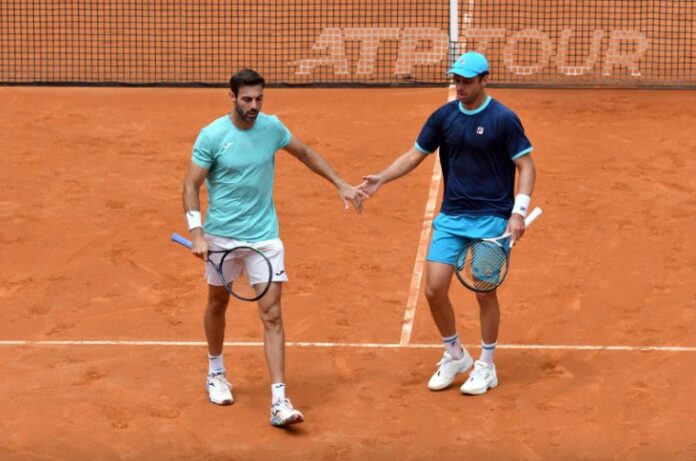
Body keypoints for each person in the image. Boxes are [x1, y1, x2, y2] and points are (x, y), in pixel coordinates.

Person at [181, 68, 365, 426]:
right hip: (220, 237)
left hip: (264, 237)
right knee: (217, 303)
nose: (254, 106)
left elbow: (306, 152)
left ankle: (280, 400)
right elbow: (190, 185)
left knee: (273, 315)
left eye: (259, 98)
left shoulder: (272, 127)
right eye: (247, 99)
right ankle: (215, 372)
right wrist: (197, 231)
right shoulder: (213, 136)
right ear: (231, 97)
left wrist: (339, 183)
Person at [358, 52, 536, 395]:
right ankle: (455, 354)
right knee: (434, 289)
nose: (460, 87)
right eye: (456, 80)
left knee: (485, 294)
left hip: (491, 220)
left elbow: (526, 166)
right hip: (452, 218)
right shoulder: (444, 117)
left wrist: (518, 210)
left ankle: (486, 366)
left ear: (485, 80)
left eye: (467, 81)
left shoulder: (503, 119)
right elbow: (414, 155)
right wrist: (382, 178)